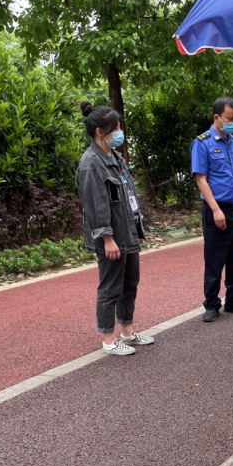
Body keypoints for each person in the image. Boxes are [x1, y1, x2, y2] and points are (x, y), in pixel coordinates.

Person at [76, 102, 155, 355]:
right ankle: (109, 340)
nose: (120, 131)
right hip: (111, 236)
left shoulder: (115, 157)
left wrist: (137, 231)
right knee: (110, 286)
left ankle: (128, 333)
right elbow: (96, 205)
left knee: (130, 282)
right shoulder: (91, 163)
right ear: (101, 131)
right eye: (116, 127)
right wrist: (107, 238)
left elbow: (128, 195)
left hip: (127, 232)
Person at [191, 97, 233, 323]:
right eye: (229, 119)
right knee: (215, 258)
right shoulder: (202, 143)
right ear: (217, 118)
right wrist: (215, 210)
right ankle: (212, 303)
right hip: (217, 208)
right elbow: (201, 180)